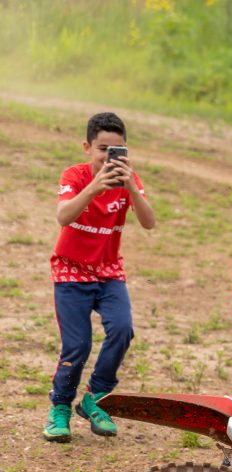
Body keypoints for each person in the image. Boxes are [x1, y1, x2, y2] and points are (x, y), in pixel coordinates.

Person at [43, 112, 156, 443]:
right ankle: (60, 406)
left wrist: (131, 186)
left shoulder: (128, 181)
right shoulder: (75, 176)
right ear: (87, 148)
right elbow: (63, 216)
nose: (109, 157)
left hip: (108, 272)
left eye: (117, 150)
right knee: (77, 346)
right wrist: (95, 187)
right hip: (70, 272)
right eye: (102, 149)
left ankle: (96, 397)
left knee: (122, 329)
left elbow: (149, 222)